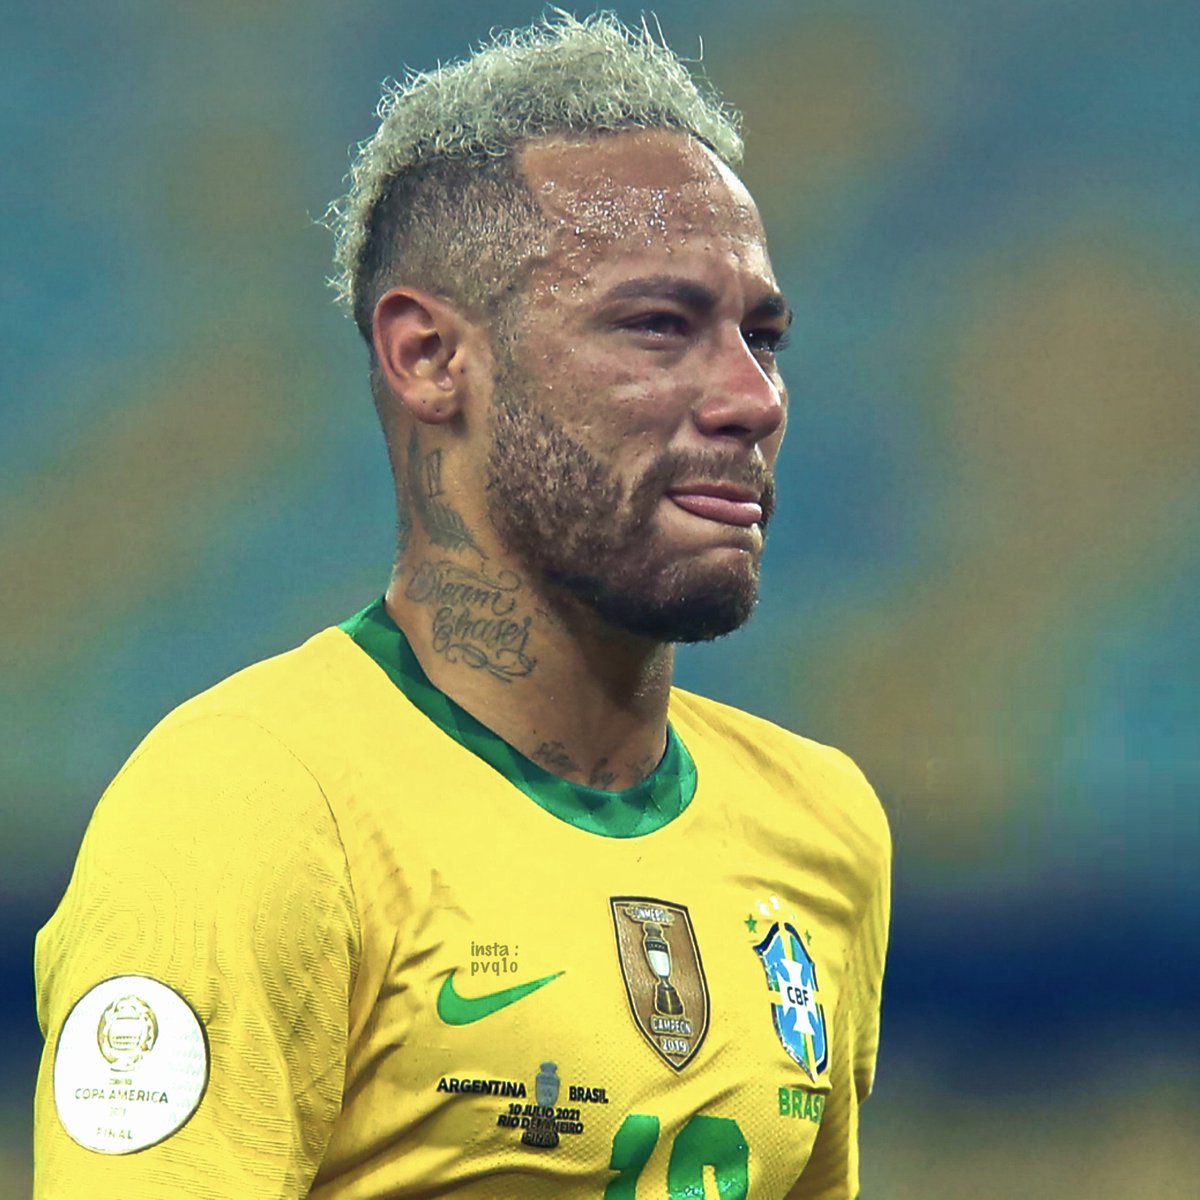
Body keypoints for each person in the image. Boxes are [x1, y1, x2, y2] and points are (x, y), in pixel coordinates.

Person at [33, 12, 890, 1198]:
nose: (754, 399)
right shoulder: (249, 814)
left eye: (764, 336)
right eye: (658, 326)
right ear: (431, 356)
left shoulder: (822, 830)